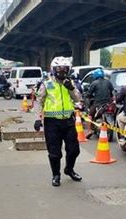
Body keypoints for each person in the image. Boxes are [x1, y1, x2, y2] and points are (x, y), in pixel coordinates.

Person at [34, 57, 82, 187]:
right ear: (54, 70)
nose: (62, 72)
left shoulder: (70, 83)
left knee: (74, 150)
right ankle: (56, 175)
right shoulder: (47, 84)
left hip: (68, 121)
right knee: (55, 153)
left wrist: (71, 88)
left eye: (65, 69)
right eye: (59, 69)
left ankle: (69, 169)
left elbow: (78, 99)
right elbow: (39, 101)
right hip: (52, 123)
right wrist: (38, 118)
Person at [85, 68, 115, 138]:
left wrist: (86, 96)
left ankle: (89, 130)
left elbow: (89, 94)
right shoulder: (108, 82)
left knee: (89, 115)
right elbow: (112, 93)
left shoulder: (94, 83)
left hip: (98, 104)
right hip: (108, 104)